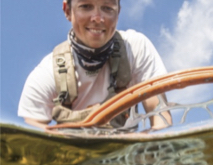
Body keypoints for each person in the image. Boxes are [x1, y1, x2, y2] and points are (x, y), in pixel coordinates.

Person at [18, 0, 170, 130]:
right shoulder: (46, 74)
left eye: (107, 8)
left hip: (126, 157)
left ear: (118, 12)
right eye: (86, 6)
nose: (97, 18)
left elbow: (160, 116)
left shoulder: (135, 48)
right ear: (67, 10)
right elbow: (30, 140)